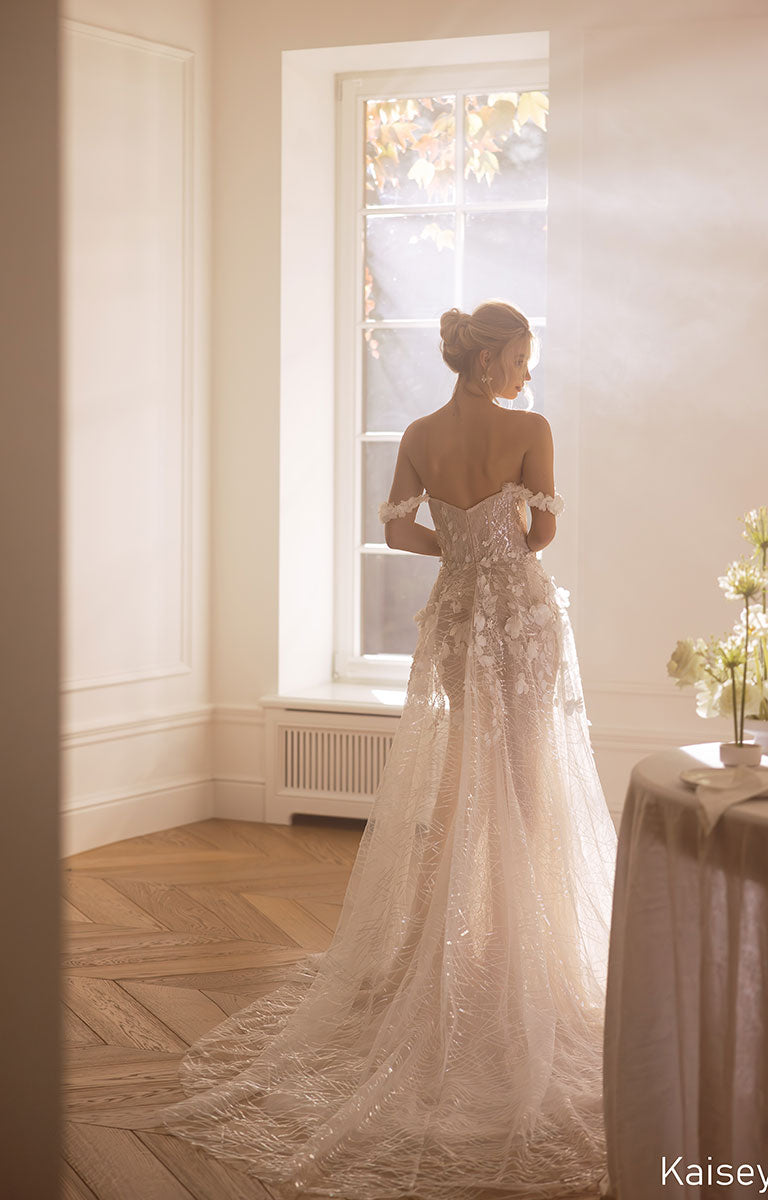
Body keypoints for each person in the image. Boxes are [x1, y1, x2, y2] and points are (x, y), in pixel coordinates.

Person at [158, 300, 619, 1200]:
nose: (529, 369)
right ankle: (526, 954)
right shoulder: (530, 427)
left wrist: (458, 541)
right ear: (494, 359)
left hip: (453, 616)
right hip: (518, 614)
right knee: (526, 779)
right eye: (523, 354)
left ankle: (458, 946)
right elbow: (545, 534)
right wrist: (502, 538)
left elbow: (401, 528)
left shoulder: (417, 431)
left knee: (462, 775)